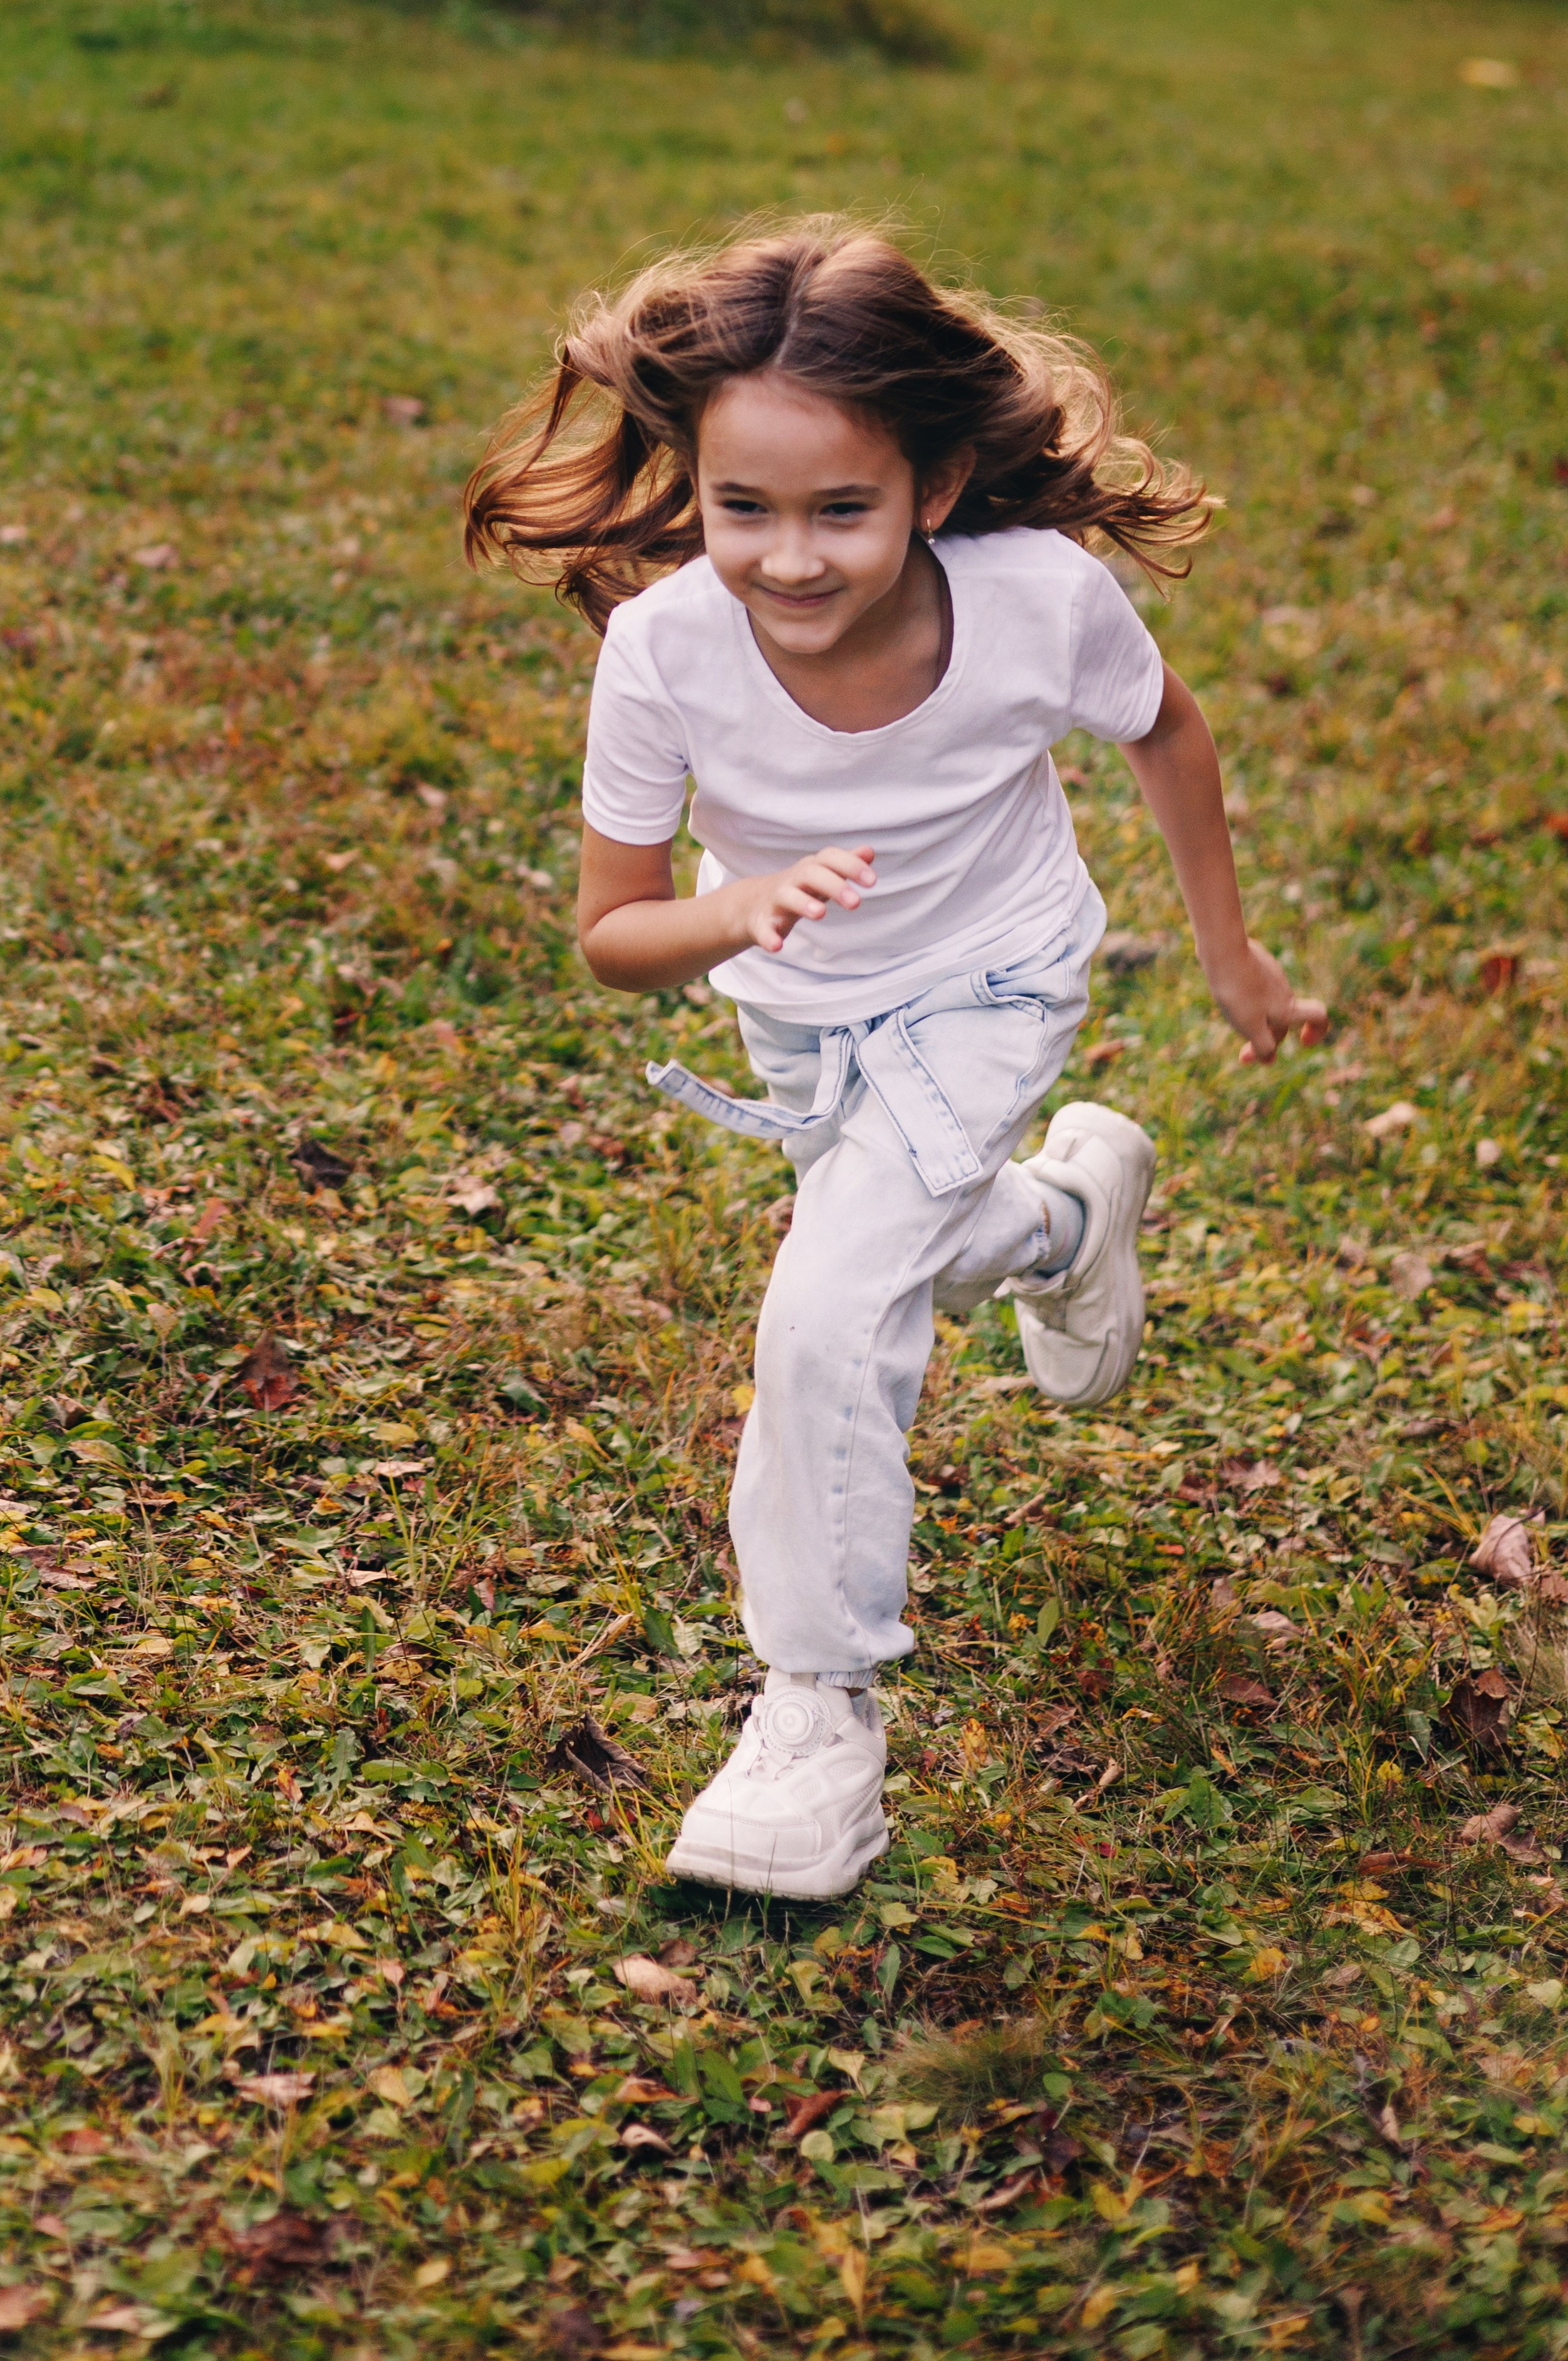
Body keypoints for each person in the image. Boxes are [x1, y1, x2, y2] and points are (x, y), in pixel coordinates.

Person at [464, 220, 1327, 1902]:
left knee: (826, 1304)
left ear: (930, 489)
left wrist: (1228, 948)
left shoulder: (1034, 602)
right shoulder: (662, 652)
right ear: (692, 488)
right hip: (792, 1002)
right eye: (743, 509)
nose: (788, 557)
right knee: (896, 1243)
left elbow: (1166, 731)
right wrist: (744, 913)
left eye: (839, 509)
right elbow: (613, 931)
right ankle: (1068, 1223)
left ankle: (816, 1720)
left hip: (992, 975)